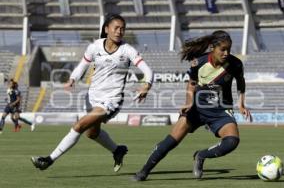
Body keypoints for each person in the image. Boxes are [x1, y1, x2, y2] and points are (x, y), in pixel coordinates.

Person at [31, 14, 154, 172]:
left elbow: (148, 71)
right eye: (116, 28)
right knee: (91, 133)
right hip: (92, 97)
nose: (119, 31)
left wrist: (146, 86)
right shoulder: (95, 46)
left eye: (122, 29)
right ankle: (118, 150)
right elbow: (82, 65)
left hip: (112, 100)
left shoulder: (127, 50)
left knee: (79, 125)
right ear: (106, 29)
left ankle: (48, 160)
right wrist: (73, 79)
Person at [133, 30, 252, 181]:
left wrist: (241, 104)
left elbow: (241, 82)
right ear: (212, 48)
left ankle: (201, 155)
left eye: (229, 49)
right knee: (170, 141)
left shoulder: (235, 64)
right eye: (222, 49)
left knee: (232, 141)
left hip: (221, 110)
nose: (226, 53)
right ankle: (143, 172)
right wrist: (188, 102)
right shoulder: (199, 62)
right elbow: (191, 84)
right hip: (197, 108)